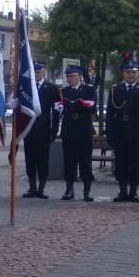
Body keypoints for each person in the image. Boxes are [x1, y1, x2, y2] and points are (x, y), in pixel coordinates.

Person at [106, 58, 139, 202]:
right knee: (121, 161)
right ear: (123, 74)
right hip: (120, 131)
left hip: (137, 131)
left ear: (138, 74)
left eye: (134, 72)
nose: (131, 75)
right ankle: (122, 191)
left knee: (136, 162)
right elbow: (110, 113)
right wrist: (109, 132)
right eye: (128, 72)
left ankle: (133, 192)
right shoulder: (116, 89)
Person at [56, 65, 97, 201]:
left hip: (83, 127)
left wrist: (76, 105)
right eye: (67, 76)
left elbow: (91, 108)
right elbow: (58, 108)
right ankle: (69, 189)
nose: (69, 79)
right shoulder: (63, 91)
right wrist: (68, 106)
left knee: (85, 159)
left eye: (72, 76)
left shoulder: (88, 90)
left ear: (79, 76)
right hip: (69, 128)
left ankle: (87, 189)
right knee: (69, 159)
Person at [21, 62, 60, 199]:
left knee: (42, 158)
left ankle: (42, 188)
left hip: (44, 128)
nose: (36, 75)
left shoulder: (52, 88)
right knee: (30, 158)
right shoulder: (27, 88)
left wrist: (54, 129)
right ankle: (32, 187)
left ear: (44, 72)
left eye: (38, 72)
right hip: (29, 128)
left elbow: (56, 111)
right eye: (34, 73)